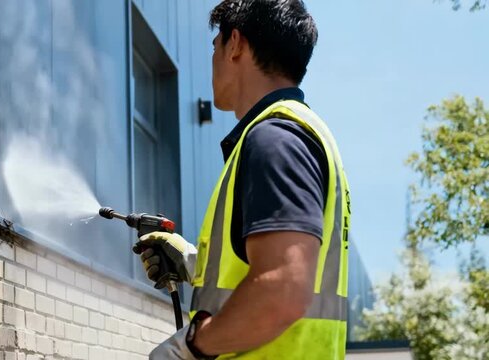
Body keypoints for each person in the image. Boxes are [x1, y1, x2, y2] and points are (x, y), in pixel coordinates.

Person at [137, 0, 351, 359]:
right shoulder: (301, 132)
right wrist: (194, 264)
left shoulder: (275, 138)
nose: (212, 60)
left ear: (235, 43)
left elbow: (284, 289)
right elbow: (288, 272)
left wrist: (189, 347)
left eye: (214, 46)